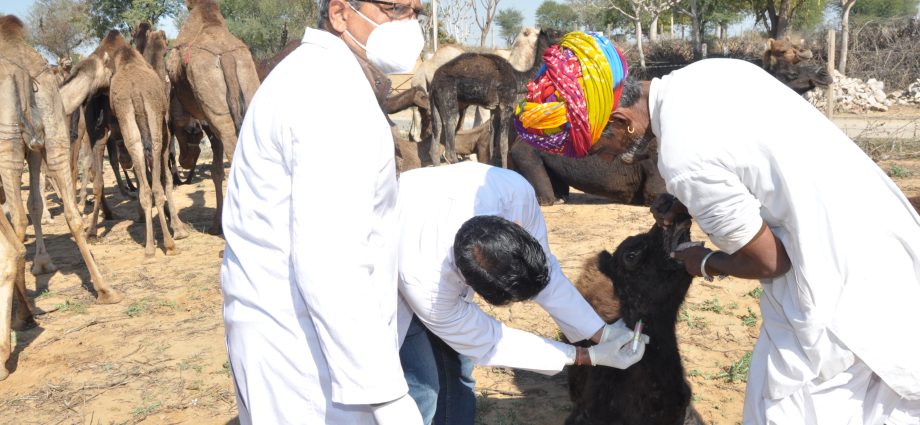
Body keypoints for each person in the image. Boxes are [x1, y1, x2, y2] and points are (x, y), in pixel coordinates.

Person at [517, 53, 920, 424]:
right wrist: (687, 201)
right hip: (884, 239)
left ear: (622, 121)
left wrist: (704, 262)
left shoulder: (684, 160)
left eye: (599, 148)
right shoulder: (712, 73)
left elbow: (769, 262)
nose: (604, 161)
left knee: (795, 409)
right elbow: (748, 160)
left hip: (836, 285)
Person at [219, 0, 426, 423]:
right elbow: (330, 262)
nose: (408, 26)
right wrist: (386, 394)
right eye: (393, 10)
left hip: (302, 337)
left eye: (414, 13)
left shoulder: (319, 76)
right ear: (339, 14)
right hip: (307, 353)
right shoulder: (330, 96)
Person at [396, 161, 649, 425]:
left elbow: (546, 276)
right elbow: (490, 341)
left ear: (516, 225)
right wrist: (587, 356)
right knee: (423, 387)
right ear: (475, 290)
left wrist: (602, 332)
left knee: (458, 373)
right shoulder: (426, 285)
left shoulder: (515, 194)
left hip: (433, 214)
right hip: (394, 273)